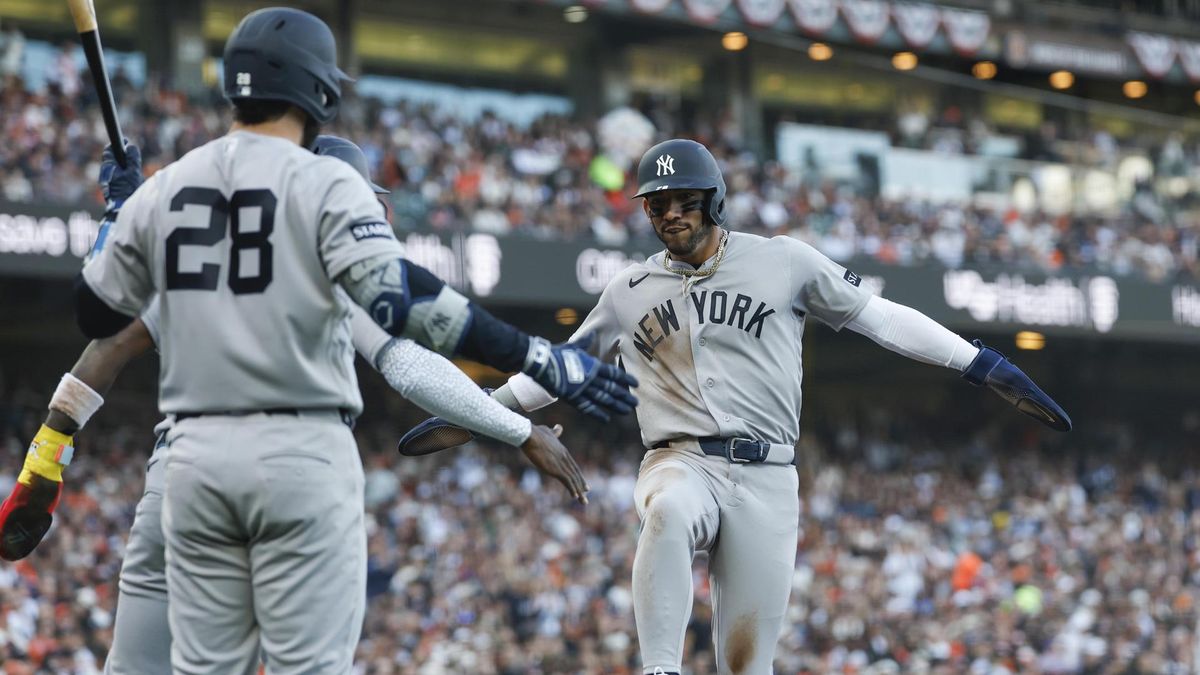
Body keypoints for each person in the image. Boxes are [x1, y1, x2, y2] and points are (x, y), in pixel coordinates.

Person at [67, 8, 634, 673]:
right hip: (297, 459)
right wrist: (536, 363)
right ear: (317, 92)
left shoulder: (172, 191)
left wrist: (120, 216)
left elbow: (96, 317)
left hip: (189, 466)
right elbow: (407, 328)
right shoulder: (321, 186)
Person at [398, 138, 1071, 675]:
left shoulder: (784, 261)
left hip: (768, 475)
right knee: (667, 510)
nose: (670, 214)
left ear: (714, 201)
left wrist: (979, 363)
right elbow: (561, 369)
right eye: (657, 205)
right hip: (679, 458)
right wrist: (478, 412)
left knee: (748, 663)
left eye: (683, 201)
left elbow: (880, 317)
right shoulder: (628, 289)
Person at [0, 134, 587, 672]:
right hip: (291, 473)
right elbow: (408, 365)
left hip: (183, 474)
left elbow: (108, 338)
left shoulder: (204, 252)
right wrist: (520, 430)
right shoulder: (333, 259)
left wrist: (45, 457)